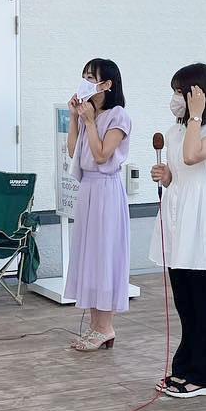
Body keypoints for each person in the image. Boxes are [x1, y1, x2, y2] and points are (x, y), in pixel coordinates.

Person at [149, 63, 206, 396]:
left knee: (205, 299)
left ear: (198, 93)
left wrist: (196, 116)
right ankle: (185, 367)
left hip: (201, 216)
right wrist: (166, 176)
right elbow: (180, 171)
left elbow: (193, 156)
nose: (175, 99)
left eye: (180, 92)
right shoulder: (175, 130)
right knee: (184, 300)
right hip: (176, 213)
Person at [64, 58, 131, 351]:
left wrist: (90, 122)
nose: (85, 81)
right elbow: (73, 152)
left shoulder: (118, 116)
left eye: (91, 77)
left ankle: (105, 327)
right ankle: (96, 326)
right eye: (84, 76)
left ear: (107, 84)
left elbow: (102, 155)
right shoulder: (89, 113)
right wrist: (75, 119)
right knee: (89, 255)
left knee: (104, 255)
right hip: (88, 189)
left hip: (106, 189)